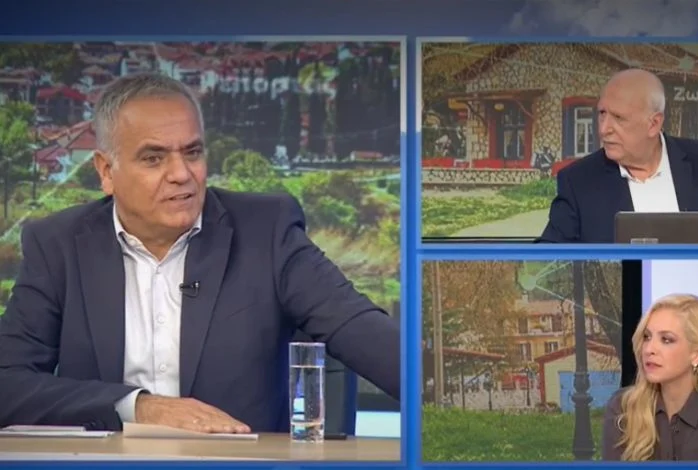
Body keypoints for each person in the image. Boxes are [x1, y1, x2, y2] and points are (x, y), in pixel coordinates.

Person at [0, 72, 400, 434]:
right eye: (154, 158)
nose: (181, 174)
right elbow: (7, 382)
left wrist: (436, 397)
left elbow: (360, 329)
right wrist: (139, 407)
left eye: (192, 152)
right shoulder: (58, 245)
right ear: (106, 171)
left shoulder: (268, 232)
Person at [537, 68, 698, 244]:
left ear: (654, 124)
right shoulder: (579, 180)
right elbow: (548, 259)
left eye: (618, 118)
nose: (603, 129)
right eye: (601, 113)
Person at [602, 294, 698, 461]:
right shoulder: (624, 407)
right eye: (647, 337)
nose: (649, 349)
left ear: (697, 355)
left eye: (666, 340)